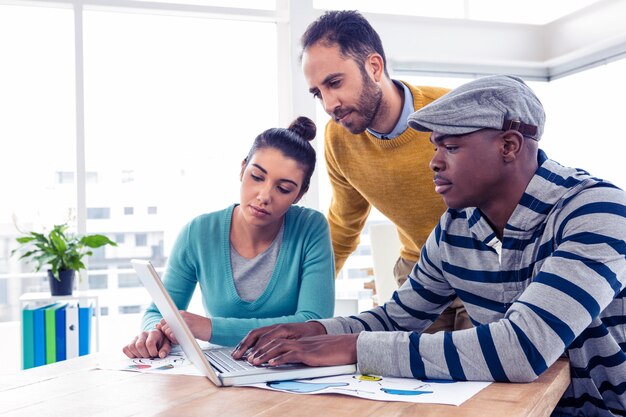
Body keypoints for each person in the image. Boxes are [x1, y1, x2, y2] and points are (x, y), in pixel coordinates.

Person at [233, 75, 626, 417]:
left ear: (508, 146)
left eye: (450, 147)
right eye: (435, 147)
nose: (434, 162)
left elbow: (522, 348)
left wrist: (353, 346)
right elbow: (396, 318)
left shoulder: (596, 211)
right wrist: (311, 332)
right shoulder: (455, 227)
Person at [300, 10, 469, 332]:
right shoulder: (338, 140)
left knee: (483, 375)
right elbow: (344, 224)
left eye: (335, 83)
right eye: (318, 92)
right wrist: (305, 303)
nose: (328, 104)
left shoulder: (452, 111)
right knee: (414, 375)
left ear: (374, 67)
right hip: (416, 271)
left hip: (481, 265)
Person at [123, 116, 336, 359]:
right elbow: (157, 312)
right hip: (225, 371)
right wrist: (155, 333)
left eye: (284, 188)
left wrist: (210, 328)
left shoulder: (311, 228)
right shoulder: (199, 233)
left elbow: (314, 322)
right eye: (256, 177)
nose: (264, 195)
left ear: (299, 194)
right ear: (242, 168)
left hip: (288, 369)